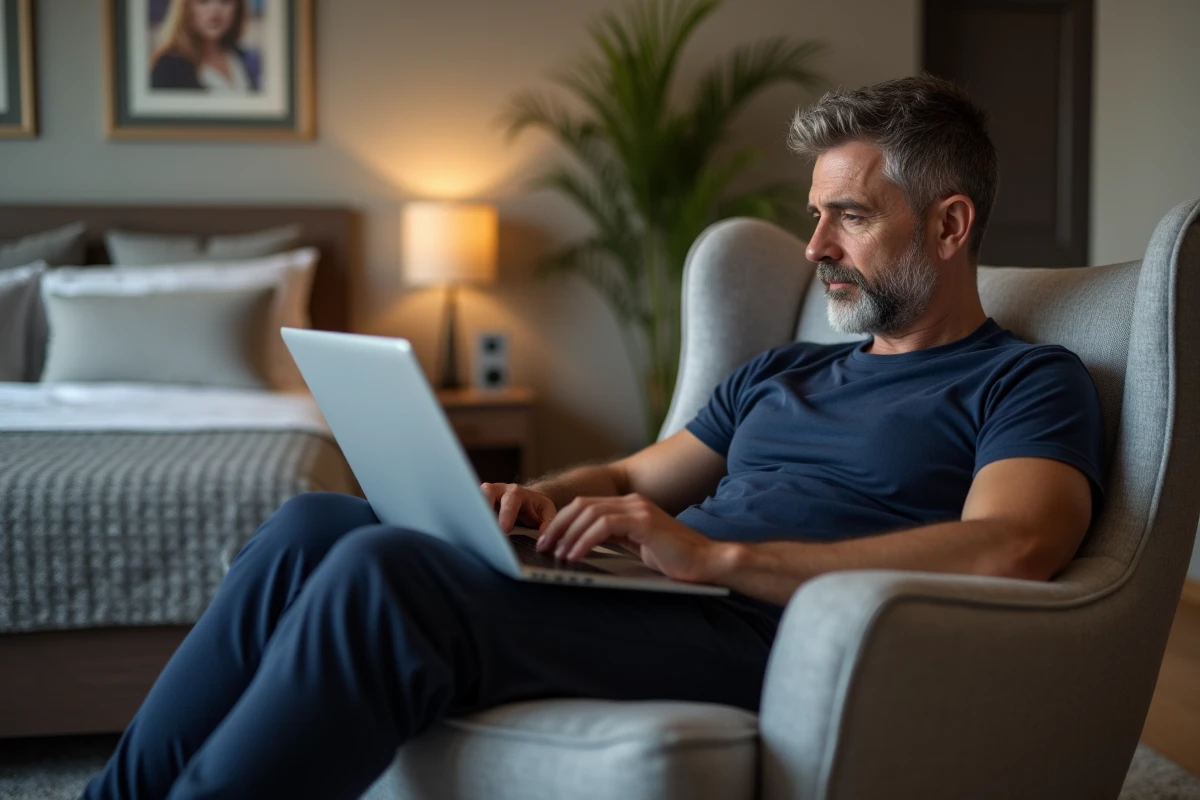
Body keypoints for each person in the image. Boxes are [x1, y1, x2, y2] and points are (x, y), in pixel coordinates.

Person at [82, 75, 1104, 799]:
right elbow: (629, 470)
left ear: (950, 224)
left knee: (388, 572)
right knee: (312, 520)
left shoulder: (1023, 379)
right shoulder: (786, 369)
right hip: (658, 596)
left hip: (767, 634)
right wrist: (544, 496)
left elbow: (1013, 543)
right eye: (814, 215)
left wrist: (717, 555)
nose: (815, 248)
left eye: (848, 217)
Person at [149, 0, 258, 93]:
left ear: (237, 8)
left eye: (225, 0)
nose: (215, 9)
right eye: (203, 0)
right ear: (186, 8)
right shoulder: (168, 66)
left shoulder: (242, 58)